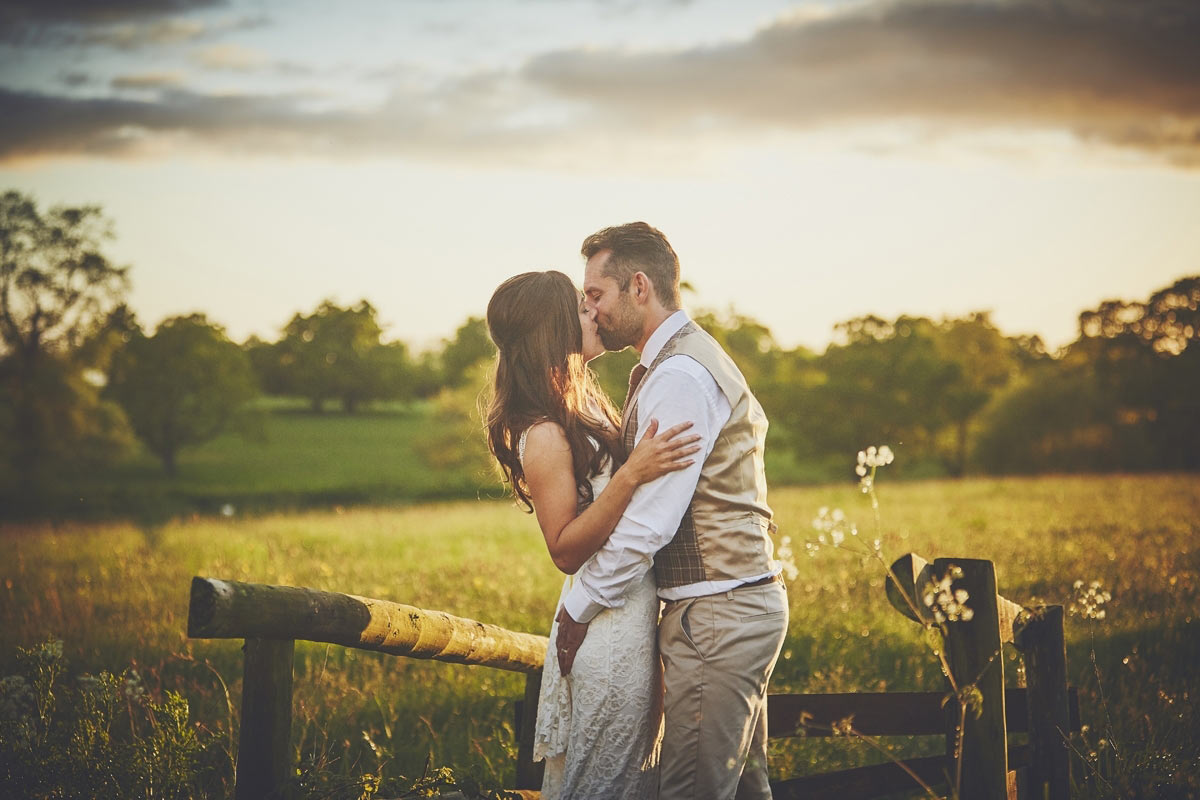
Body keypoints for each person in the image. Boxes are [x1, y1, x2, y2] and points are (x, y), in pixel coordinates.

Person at [555, 222, 789, 800]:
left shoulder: (680, 375)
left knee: (690, 792)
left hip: (718, 615)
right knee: (740, 790)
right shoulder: (680, 362)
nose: (589, 309)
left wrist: (579, 607)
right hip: (726, 608)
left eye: (596, 295)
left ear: (639, 287)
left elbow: (650, 522)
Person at [485, 270, 701, 799]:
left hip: (627, 607)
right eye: (581, 309)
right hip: (606, 624)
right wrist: (631, 474)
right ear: (552, 329)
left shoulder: (577, 407)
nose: (594, 314)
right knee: (606, 778)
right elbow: (563, 548)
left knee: (627, 772)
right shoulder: (543, 433)